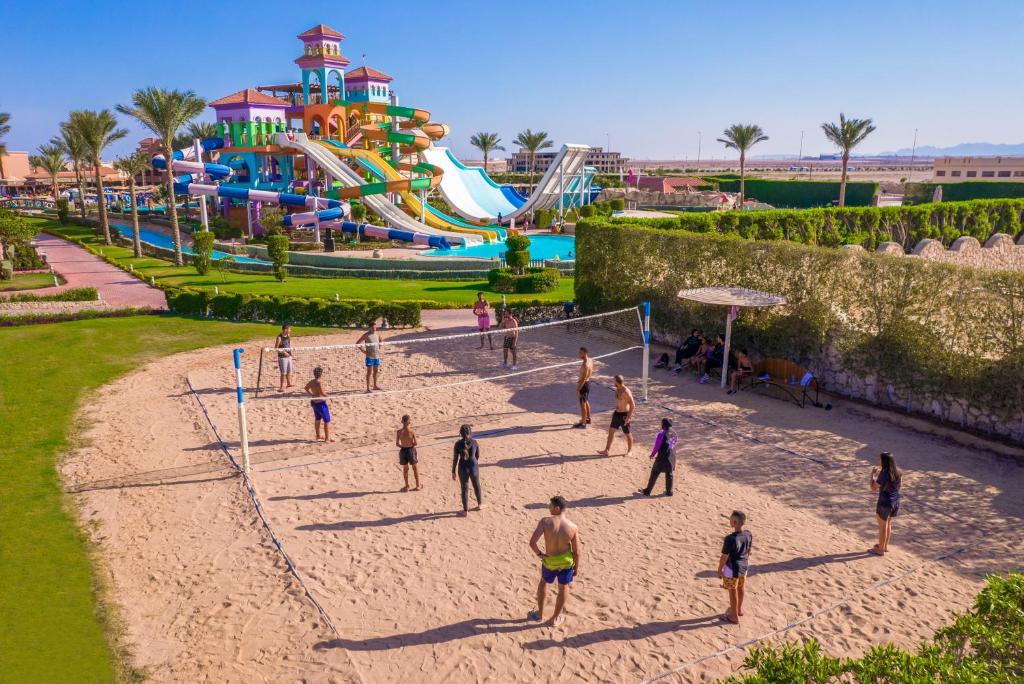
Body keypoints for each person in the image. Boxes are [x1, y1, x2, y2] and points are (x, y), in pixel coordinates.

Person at [529, 495, 582, 627]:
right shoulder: (573, 527)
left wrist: (540, 554)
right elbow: (577, 552)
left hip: (550, 561)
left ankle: (540, 615)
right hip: (565, 562)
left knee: (543, 583)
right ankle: (554, 619)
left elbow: (532, 543)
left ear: (557, 508)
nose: (548, 508)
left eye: (550, 506)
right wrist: (576, 568)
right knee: (563, 587)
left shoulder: (545, 522)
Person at [718, 510, 752, 624]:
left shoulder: (730, 539)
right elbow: (748, 550)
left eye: (730, 519)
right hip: (744, 566)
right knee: (740, 588)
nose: (729, 521)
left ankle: (733, 616)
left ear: (735, 522)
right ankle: (738, 610)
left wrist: (719, 569)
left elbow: (724, 557)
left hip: (731, 568)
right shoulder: (748, 534)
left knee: (732, 591)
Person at [870, 452, 902, 556]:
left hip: (885, 501)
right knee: (888, 524)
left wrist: (872, 475)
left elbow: (873, 487)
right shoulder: (898, 471)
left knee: (883, 526)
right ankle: (885, 546)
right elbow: (899, 486)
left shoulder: (884, 473)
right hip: (895, 500)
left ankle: (880, 550)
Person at [598, 374, 635, 457]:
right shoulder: (617, 389)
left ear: (617, 381)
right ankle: (606, 450)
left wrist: (628, 417)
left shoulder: (626, 391)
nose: (612, 382)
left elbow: (633, 405)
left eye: (614, 380)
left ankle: (630, 451)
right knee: (611, 431)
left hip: (624, 415)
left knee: (627, 433)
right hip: (617, 413)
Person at [639, 418, 677, 496]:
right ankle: (669, 492)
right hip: (672, 457)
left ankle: (647, 491)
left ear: (663, 425)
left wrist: (652, 454)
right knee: (669, 474)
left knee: (655, 472)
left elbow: (657, 446)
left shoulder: (661, 434)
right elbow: (673, 445)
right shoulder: (674, 433)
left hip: (662, 458)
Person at [451, 424, 483, 515]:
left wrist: (453, 471)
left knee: (464, 489)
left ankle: (465, 511)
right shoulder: (475, 442)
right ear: (470, 432)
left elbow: (455, 459)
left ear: (460, 433)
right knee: (477, 485)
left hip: (463, 467)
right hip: (473, 466)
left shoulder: (457, 444)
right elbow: (477, 456)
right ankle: (480, 504)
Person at [303, 366, 335, 443]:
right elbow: (322, 393)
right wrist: (329, 396)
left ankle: (318, 435)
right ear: (321, 374)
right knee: (326, 420)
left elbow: (306, 388)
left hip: (314, 402)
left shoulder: (312, 382)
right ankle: (327, 438)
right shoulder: (319, 382)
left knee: (317, 419)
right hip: (321, 403)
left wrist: (311, 394)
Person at [356, 320, 383, 392]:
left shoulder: (377, 334)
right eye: (373, 327)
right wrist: (363, 351)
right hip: (369, 356)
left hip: (377, 356)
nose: (375, 328)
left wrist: (379, 347)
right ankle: (368, 388)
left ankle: (375, 386)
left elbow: (381, 340)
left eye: (375, 327)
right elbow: (357, 343)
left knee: (376, 371)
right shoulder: (366, 335)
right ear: (370, 327)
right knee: (369, 372)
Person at [396, 414, 421, 492]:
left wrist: (403, 446)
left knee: (405, 469)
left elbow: (397, 443)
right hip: (411, 450)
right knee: (415, 468)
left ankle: (407, 486)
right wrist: (411, 446)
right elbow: (416, 443)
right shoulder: (411, 431)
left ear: (402, 421)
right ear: (409, 422)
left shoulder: (399, 432)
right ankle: (418, 485)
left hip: (403, 451)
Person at [574, 347, 594, 429]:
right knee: (586, 402)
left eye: (581, 353)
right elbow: (591, 371)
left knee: (582, 405)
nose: (579, 354)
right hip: (588, 383)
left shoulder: (585, 365)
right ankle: (588, 419)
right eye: (579, 352)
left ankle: (583, 423)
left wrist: (578, 389)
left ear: (585, 353)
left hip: (584, 385)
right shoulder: (590, 360)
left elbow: (583, 379)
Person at [275, 324, 294, 392]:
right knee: (283, 373)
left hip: (289, 356)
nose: (290, 330)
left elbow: (288, 345)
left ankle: (289, 383)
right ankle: (281, 387)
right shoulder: (279, 337)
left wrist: (290, 353)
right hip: (282, 357)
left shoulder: (288, 336)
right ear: (285, 330)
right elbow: (276, 348)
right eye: (289, 329)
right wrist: (284, 353)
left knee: (289, 371)